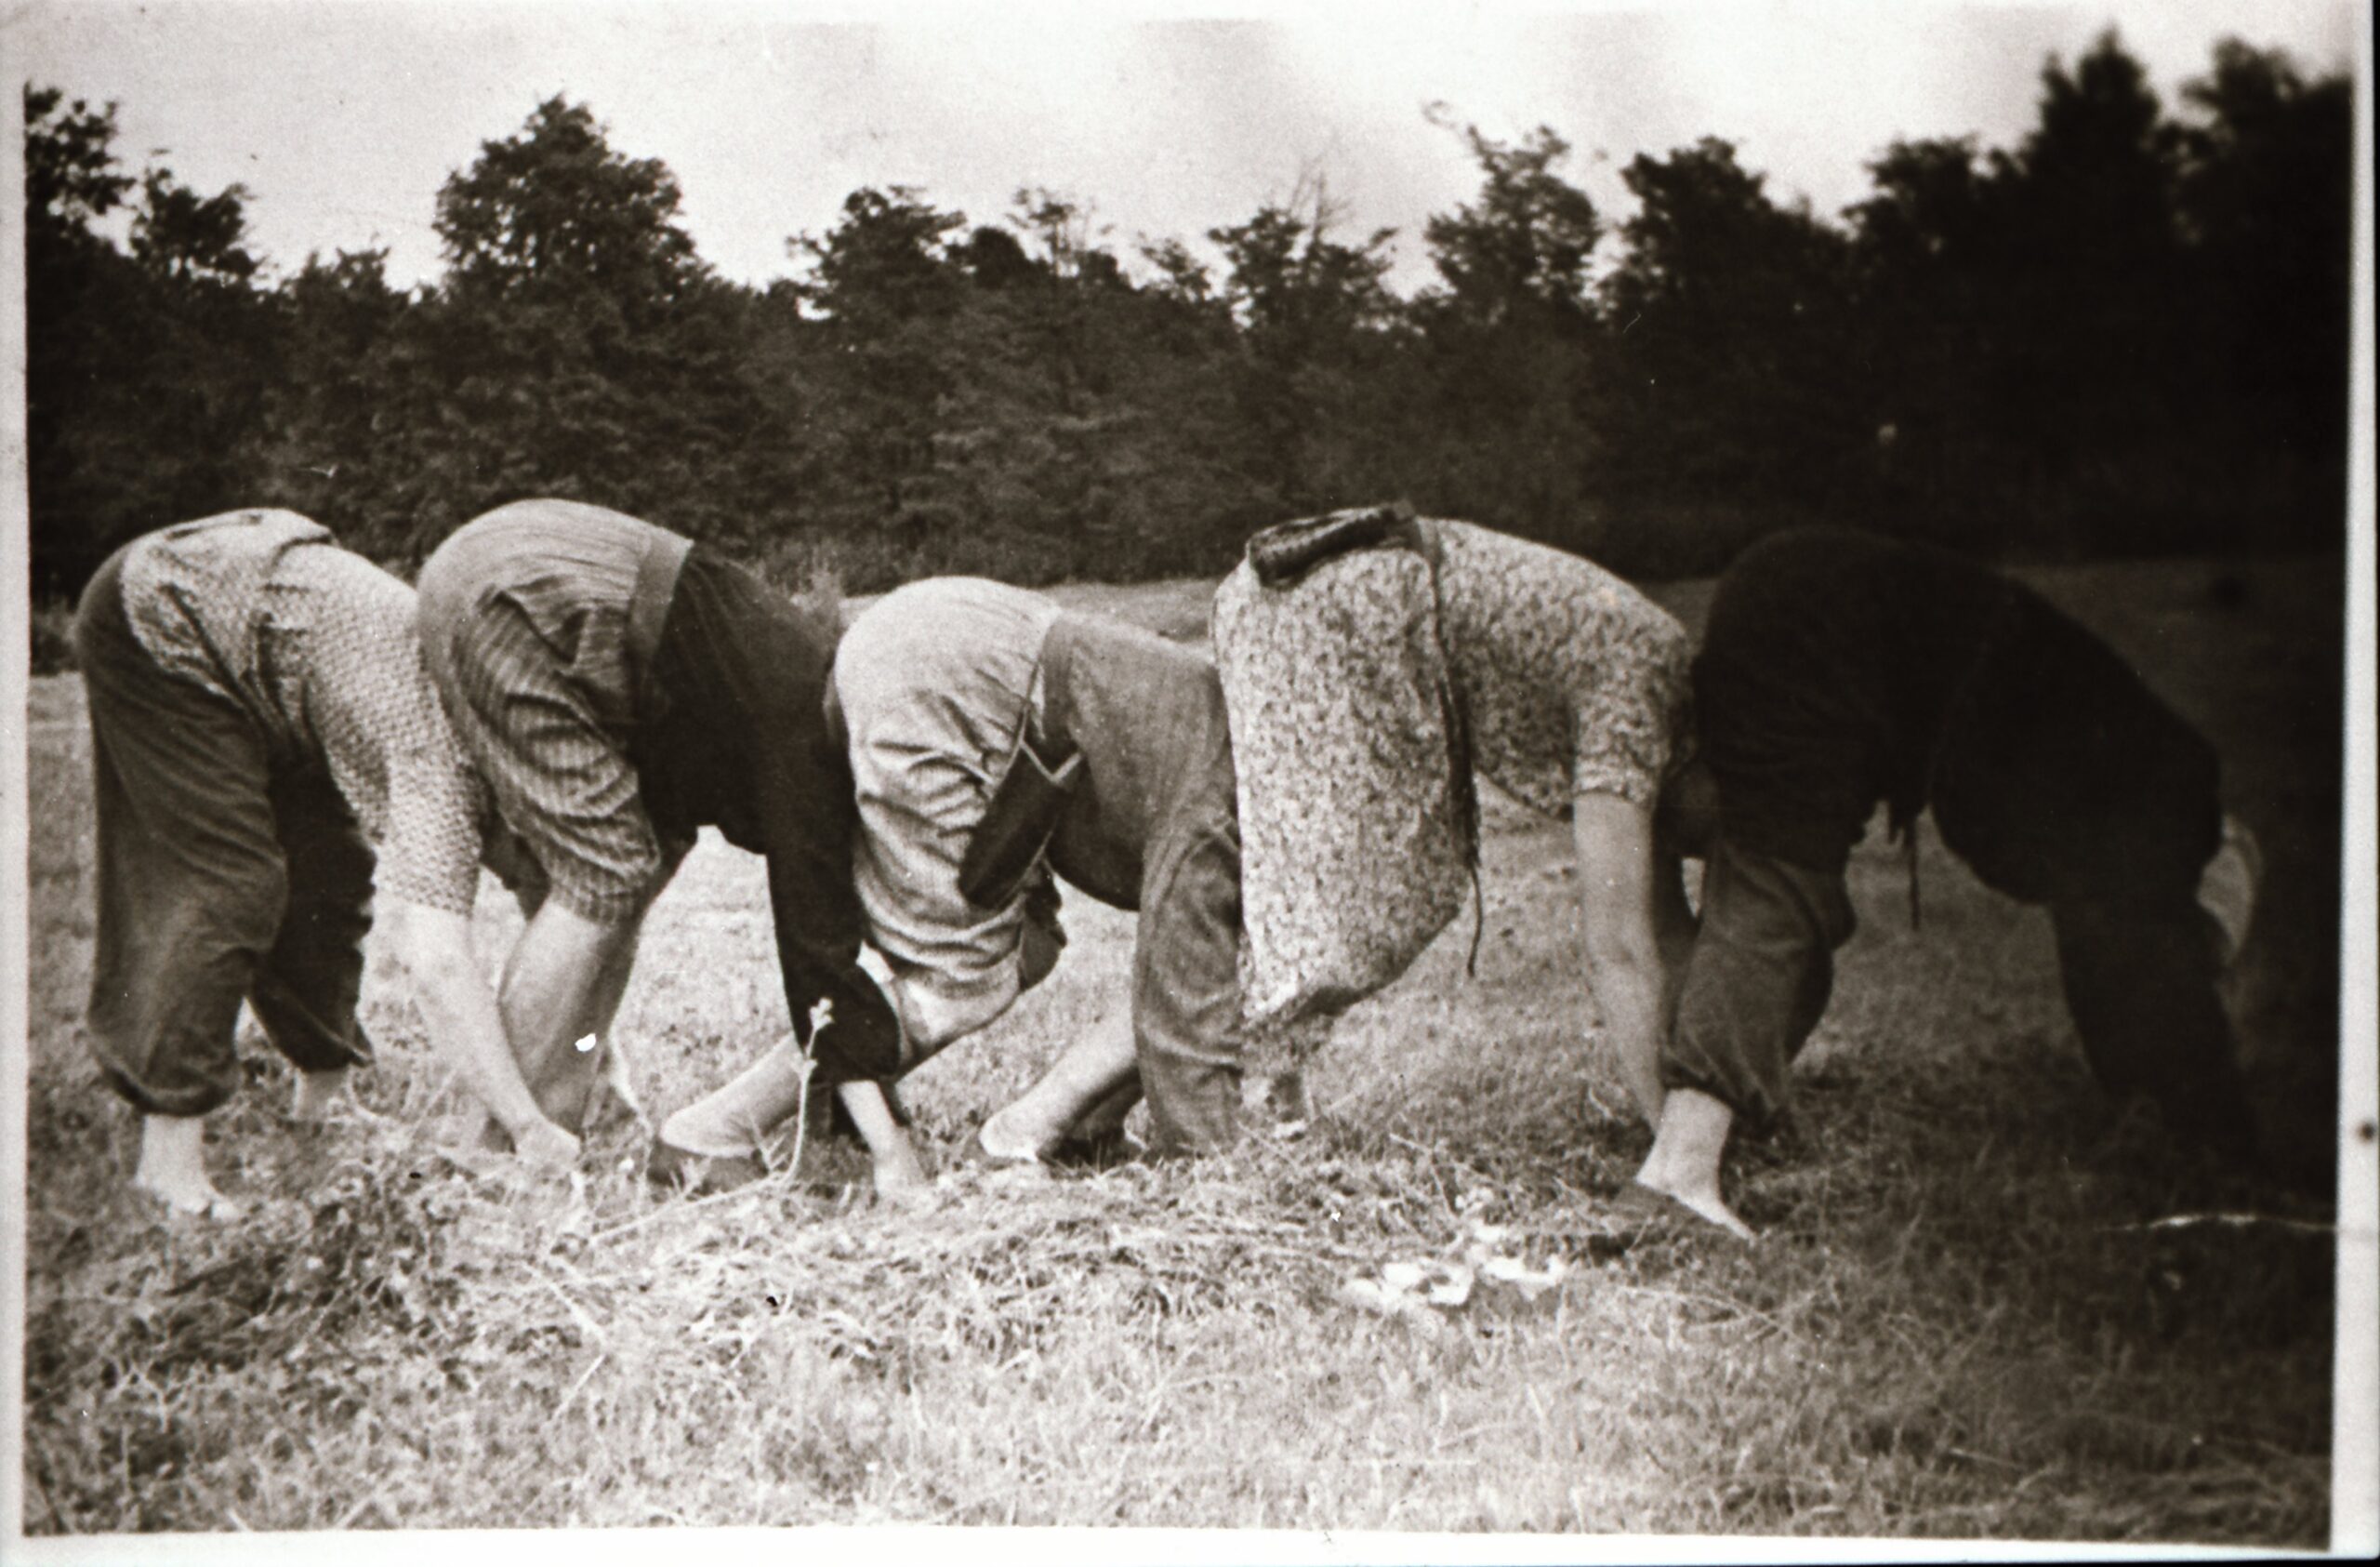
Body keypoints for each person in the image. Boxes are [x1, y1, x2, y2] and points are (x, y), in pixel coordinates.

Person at [1630, 526, 2266, 1240]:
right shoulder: (2159, 800)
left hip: (1842, 631)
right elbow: (1776, 940)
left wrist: (1698, 1120)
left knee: (2140, 985)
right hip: (1855, 641)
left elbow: (1775, 932)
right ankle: (1678, 1169)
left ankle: (1681, 1154)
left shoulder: (2121, 794)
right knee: (1775, 896)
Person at [73, 509, 581, 1218]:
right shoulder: (439, 760)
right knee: (227, 884)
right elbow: (436, 965)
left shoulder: (520, 744)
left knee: (331, 875)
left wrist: (595, 1055)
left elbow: (558, 917)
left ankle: (323, 1103)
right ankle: (168, 1162)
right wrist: (528, 1126)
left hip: (278, 660)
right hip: (163, 613)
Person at [653, 576, 1250, 1176]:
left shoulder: (1245, 762)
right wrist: (1216, 1159)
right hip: (948, 691)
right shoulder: (1231, 802)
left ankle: (1069, 1124)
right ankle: (714, 1130)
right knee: (963, 980)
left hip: (956, 650)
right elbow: (1185, 1005)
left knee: (1032, 945)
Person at [414, 499, 922, 1201]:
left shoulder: (807, 692)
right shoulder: (811, 746)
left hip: (523, 576)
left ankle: (553, 1121)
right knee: (603, 874)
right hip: (522, 598)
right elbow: (818, 959)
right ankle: (493, 1152)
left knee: (632, 864)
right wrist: (889, 1146)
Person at [1211, 503, 1699, 1151]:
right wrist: (1677, 1144)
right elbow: (1620, 948)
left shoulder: (1666, 697)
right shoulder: (1638, 703)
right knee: (1364, 897)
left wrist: (1715, 1097)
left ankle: (1247, 1082)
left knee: (1319, 899)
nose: (1702, 849)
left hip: (1358, 589)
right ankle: (1196, 1076)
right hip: (1344, 610)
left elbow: (1668, 931)